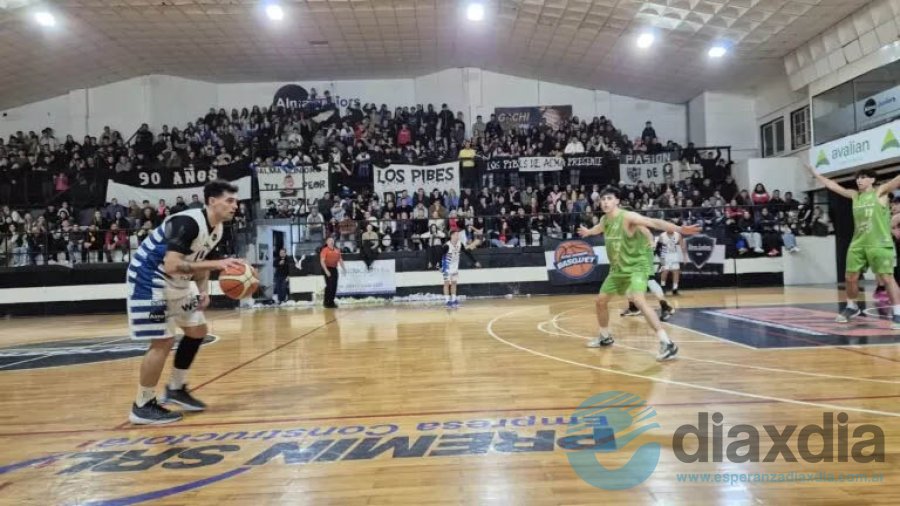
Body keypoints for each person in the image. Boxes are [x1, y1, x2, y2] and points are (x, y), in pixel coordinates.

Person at [126, 180, 243, 425]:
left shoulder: (217, 229)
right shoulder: (188, 222)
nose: (235, 205)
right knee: (163, 340)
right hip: (150, 277)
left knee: (197, 330)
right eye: (230, 200)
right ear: (212, 201)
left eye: (236, 201)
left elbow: (200, 262)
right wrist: (217, 264)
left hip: (179, 282)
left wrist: (203, 290)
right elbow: (171, 263)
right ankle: (142, 404)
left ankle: (176, 388)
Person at [578, 186, 701, 361]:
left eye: (609, 198)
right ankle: (605, 337)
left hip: (637, 266)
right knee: (600, 302)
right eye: (603, 199)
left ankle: (667, 343)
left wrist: (680, 229)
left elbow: (654, 223)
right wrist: (588, 232)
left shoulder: (628, 217)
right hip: (618, 269)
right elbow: (599, 228)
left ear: (617, 201)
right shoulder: (605, 219)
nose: (605, 202)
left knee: (638, 300)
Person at [803, 161, 900, 327]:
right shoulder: (855, 195)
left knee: (887, 278)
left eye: (863, 177)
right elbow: (834, 186)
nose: (859, 180)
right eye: (857, 178)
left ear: (872, 180)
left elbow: (897, 180)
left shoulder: (880, 192)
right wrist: (816, 174)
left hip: (879, 243)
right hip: (858, 243)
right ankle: (851, 306)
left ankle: (898, 312)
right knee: (850, 277)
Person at [620, 226, 675, 322]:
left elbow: (651, 238)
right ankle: (633, 308)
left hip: (643, 261)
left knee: (650, 281)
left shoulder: (641, 229)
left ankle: (666, 307)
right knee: (629, 286)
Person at [440, 229, 481, 308]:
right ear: (451, 236)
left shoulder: (460, 244)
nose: (457, 236)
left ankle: (454, 299)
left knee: (454, 283)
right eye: (456, 235)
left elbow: (467, 253)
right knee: (446, 283)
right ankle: (447, 300)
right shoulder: (447, 245)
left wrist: (475, 261)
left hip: (455, 266)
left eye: (458, 235)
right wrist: (440, 266)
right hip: (447, 266)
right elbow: (440, 256)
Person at [657, 228, 687, 295]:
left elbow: (682, 246)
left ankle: (675, 289)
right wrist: (661, 258)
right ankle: (663, 287)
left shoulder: (678, 235)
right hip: (665, 255)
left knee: (676, 272)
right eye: (668, 226)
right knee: (665, 272)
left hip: (674, 255)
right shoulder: (662, 235)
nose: (670, 228)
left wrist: (685, 257)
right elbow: (658, 247)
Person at [320, 236, 345, 308]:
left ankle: (331, 302)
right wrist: (326, 271)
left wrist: (344, 268)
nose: (331, 241)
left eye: (332, 240)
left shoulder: (337, 250)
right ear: (327, 242)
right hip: (327, 268)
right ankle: (326, 302)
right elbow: (322, 261)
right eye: (329, 240)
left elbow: (340, 260)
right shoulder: (324, 250)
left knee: (334, 286)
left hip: (334, 269)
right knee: (329, 285)